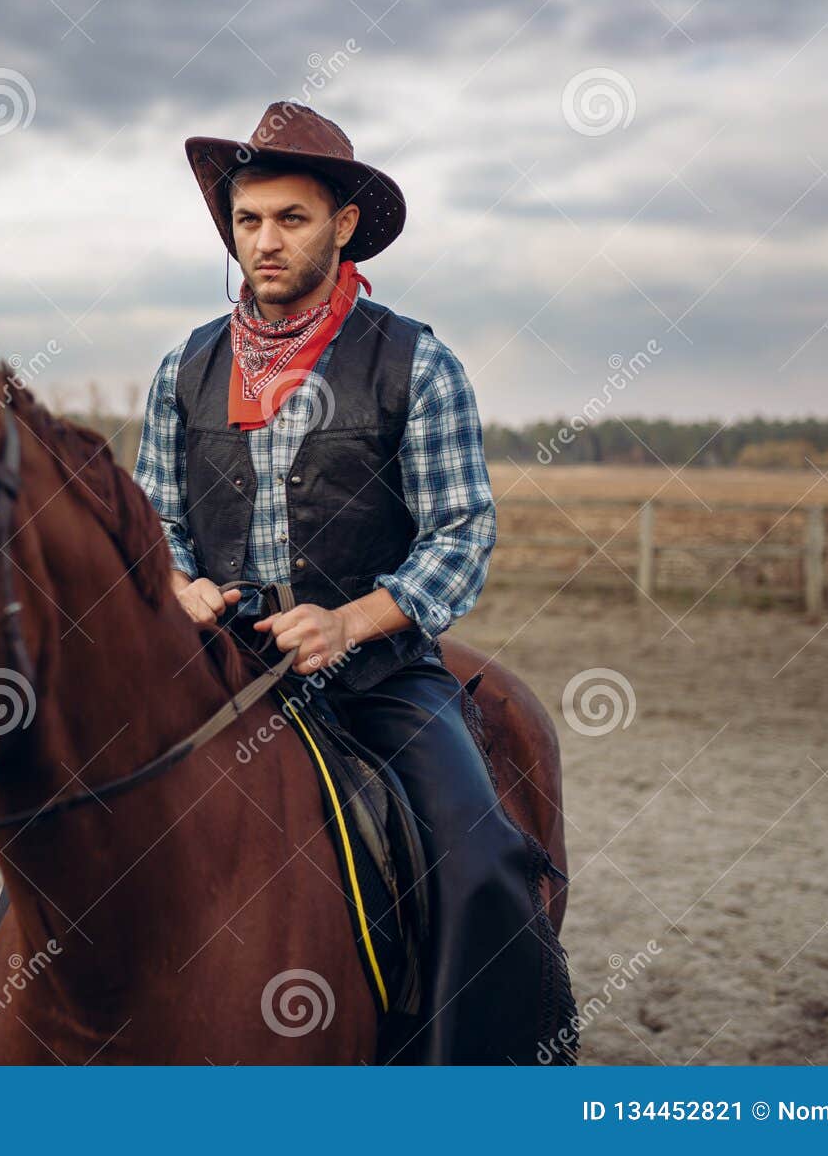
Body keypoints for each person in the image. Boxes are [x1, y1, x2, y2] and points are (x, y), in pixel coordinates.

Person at [129, 99, 569, 1064]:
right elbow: (152, 516)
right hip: (211, 669)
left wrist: (352, 622)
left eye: (291, 219)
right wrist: (174, 583)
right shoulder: (184, 367)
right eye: (249, 221)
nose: (266, 241)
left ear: (345, 224)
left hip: (373, 675)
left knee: (481, 858)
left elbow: (462, 531)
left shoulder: (418, 361)